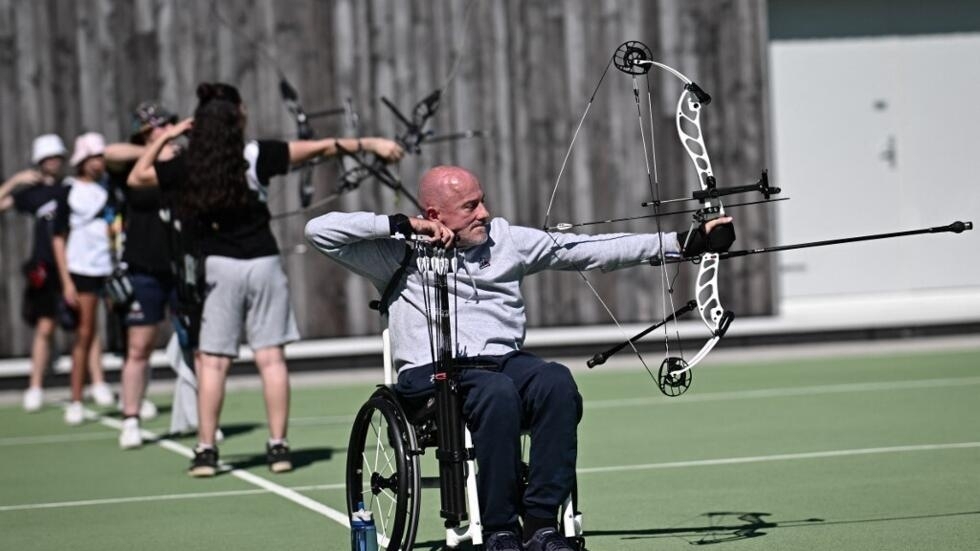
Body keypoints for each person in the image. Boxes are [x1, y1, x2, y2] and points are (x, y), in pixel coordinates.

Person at [304, 165, 735, 551]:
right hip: (430, 372)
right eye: (470, 206)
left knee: (556, 383)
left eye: (483, 201)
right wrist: (399, 225)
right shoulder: (396, 253)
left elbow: (589, 249)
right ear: (434, 215)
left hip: (502, 364)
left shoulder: (506, 241)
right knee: (497, 394)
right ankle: (499, 532)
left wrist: (686, 242)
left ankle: (543, 525)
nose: (484, 213)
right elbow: (318, 232)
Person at [128, 82, 405, 476]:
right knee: (271, 358)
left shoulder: (188, 164)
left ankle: (206, 451)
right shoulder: (256, 154)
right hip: (264, 264)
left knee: (213, 362)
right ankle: (279, 447)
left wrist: (168, 136)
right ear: (238, 115)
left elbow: (138, 177)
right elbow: (322, 148)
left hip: (219, 269)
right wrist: (372, 143)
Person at [0, 134, 114, 413]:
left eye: (57, 157)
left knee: (87, 327)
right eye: (48, 158)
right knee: (45, 327)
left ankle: (97, 382)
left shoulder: (69, 189)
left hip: (76, 265)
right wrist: (15, 182)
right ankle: (35, 386)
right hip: (46, 268)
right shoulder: (32, 193)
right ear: (39, 161)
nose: (53, 162)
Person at [52, 132, 144, 425]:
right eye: (92, 158)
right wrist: (66, 280)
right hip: (83, 270)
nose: (97, 163)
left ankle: (133, 398)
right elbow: (58, 238)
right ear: (81, 161)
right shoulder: (69, 191)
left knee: (130, 332)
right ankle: (77, 398)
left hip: (112, 267)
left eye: (100, 158)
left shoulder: (111, 188)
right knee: (85, 333)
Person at [115, 101, 183, 449]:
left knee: (195, 344)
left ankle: (201, 418)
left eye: (167, 124)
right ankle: (130, 418)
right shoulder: (134, 161)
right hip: (143, 268)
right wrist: (156, 144)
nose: (165, 130)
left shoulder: (180, 163)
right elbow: (108, 153)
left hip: (179, 266)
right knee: (139, 347)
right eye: (157, 127)